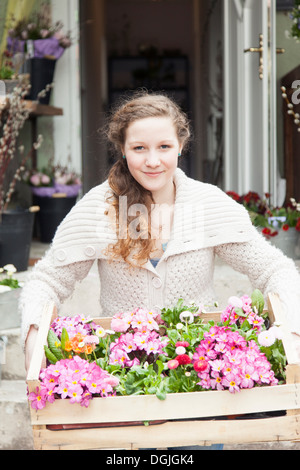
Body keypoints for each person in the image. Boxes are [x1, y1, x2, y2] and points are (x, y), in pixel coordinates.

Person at [21, 91, 300, 449]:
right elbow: (47, 280)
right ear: (122, 149)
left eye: (164, 147)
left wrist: (290, 324)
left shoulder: (208, 203)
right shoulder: (100, 206)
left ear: (181, 145)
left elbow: (274, 267)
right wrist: (33, 332)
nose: (152, 161)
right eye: (139, 149)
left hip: (197, 381)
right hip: (123, 385)